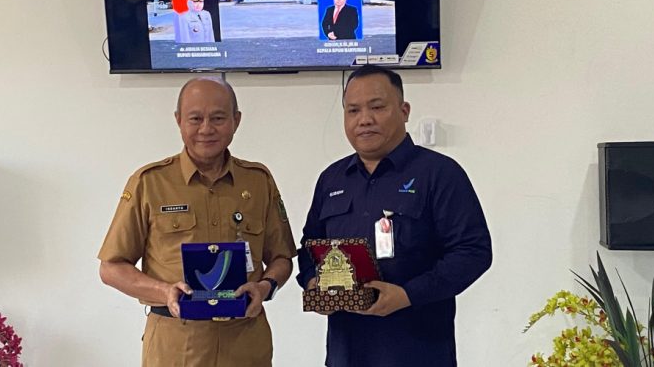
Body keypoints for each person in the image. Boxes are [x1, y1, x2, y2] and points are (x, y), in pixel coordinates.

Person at [296, 65, 492, 367]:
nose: (364, 119)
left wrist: (408, 295)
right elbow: (310, 246)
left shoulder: (439, 174)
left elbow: (473, 252)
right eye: (353, 110)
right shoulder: (331, 179)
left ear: (404, 111)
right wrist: (313, 284)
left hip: (418, 352)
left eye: (377, 107)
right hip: (346, 352)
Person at [99, 78, 297, 367]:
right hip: (175, 346)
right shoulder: (149, 183)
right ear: (178, 120)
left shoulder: (258, 181)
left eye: (218, 118)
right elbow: (111, 268)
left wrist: (266, 287)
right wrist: (164, 292)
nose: (206, 129)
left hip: (245, 345)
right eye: (195, 119)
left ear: (236, 120)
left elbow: (282, 257)